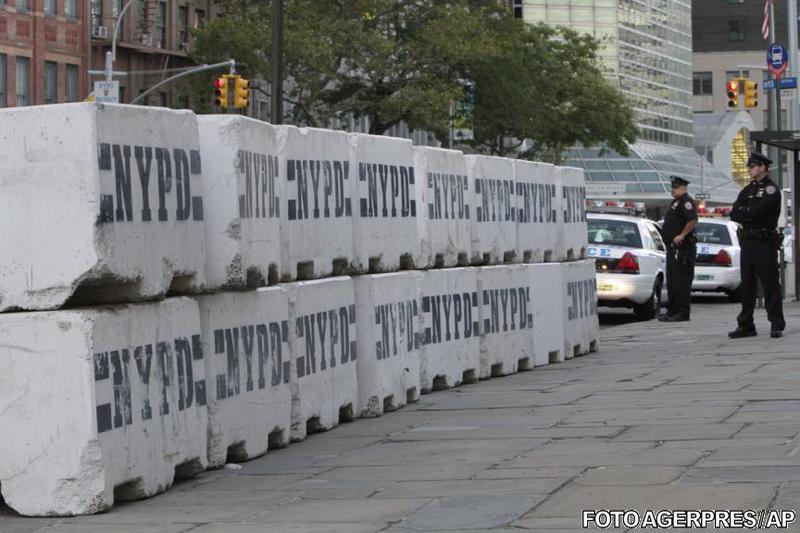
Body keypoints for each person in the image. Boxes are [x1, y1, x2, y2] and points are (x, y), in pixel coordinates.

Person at [728, 152, 786, 339]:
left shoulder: (771, 189)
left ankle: (776, 323)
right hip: (747, 242)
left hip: (764, 242)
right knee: (747, 285)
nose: (749, 169)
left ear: (762, 167)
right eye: (749, 166)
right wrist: (749, 212)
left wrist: (748, 212)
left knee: (769, 284)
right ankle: (746, 325)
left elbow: (761, 212)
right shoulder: (747, 190)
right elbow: (735, 213)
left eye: (752, 166)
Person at [659, 176, 698, 322]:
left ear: (683, 188)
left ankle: (682, 313)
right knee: (672, 281)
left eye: (675, 188)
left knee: (681, 281)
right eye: (672, 187)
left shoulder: (686, 202)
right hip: (673, 248)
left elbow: (693, 220)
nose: (673, 190)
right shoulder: (676, 202)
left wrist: (682, 235)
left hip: (683, 249)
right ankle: (672, 311)